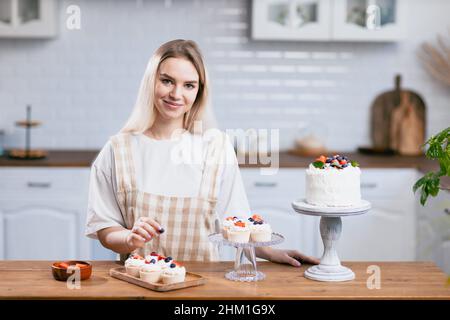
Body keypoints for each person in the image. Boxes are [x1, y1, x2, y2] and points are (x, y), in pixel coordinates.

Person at [85, 39, 320, 266]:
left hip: (204, 291)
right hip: (139, 288)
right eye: (167, 81)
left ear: (199, 91)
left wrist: (270, 252)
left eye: (189, 85)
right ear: (150, 82)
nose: (176, 94)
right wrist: (129, 239)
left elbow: (235, 223)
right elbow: (105, 228)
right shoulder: (117, 150)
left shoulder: (216, 147)